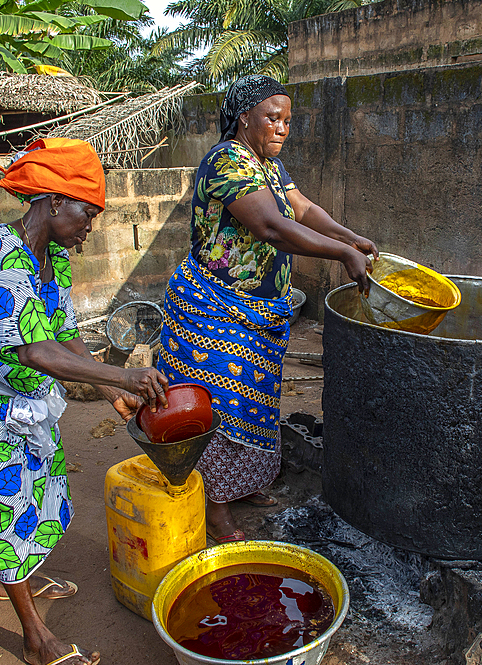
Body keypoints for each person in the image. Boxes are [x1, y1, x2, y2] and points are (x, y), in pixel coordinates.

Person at [0, 138, 169, 665]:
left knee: (36, 477)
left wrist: (111, 388)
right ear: (53, 201)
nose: (89, 228)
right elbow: (34, 348)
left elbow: (66, 334)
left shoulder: (54, 259)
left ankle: (23, 575)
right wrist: (125, 375)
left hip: (9, 387)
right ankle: (34, 636)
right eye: (86, 213)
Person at [157, 75, 379, 543]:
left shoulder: (269, 167)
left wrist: (348, 236)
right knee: (218, 410)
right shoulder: (225, 161)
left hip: (259, 313)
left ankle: (243, 483)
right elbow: (273, 228)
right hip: (215, 312)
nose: (282, 129)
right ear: (244, 118)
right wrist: (341, 256)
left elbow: (304, 209)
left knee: (254, 403)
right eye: (272, 118)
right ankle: (215, 507)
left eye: (288, 121)